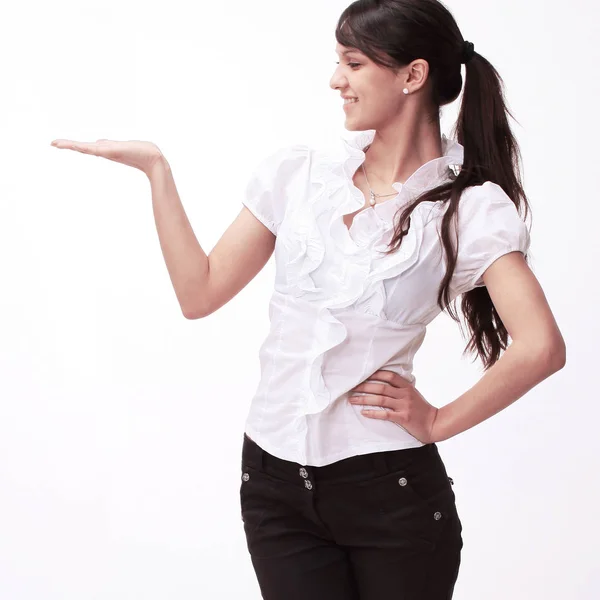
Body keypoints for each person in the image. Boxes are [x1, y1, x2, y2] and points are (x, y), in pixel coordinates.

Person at [50, 1, 566, 597]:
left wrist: (437, 421)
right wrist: (157, 171)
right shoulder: (299, 177)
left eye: (352, 62)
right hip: (273, 483)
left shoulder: (468, 209)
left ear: (412, 75)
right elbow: (200, 293)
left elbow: (541, 347)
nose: (335, 80)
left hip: (389, 493)